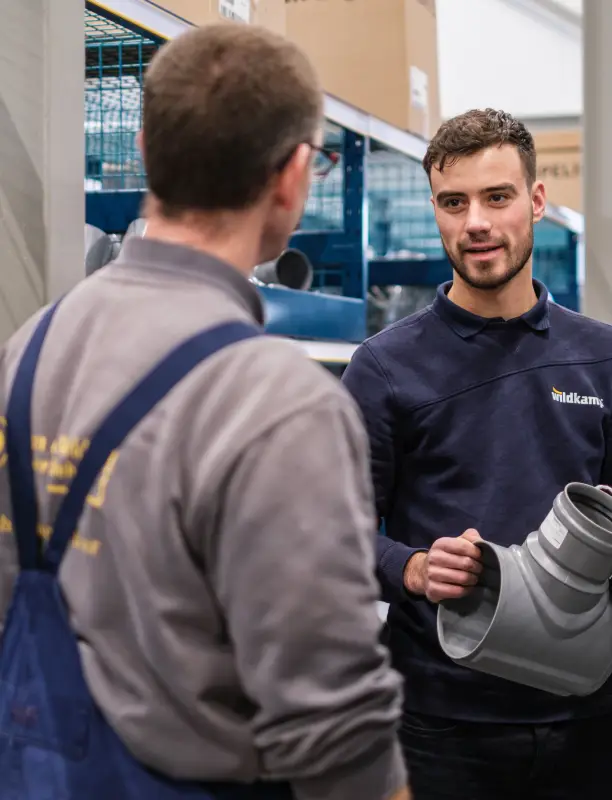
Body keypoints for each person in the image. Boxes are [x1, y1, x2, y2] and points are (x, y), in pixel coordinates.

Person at [0, 24, 410, 800]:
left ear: (149, 149)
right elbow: (335, 727)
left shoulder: (26, 350)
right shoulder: (275, 401)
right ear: (292, 176)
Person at [342, 107, 612, 800]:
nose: (477, 223)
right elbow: (328, 536)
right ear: (436, 209)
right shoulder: (383, 368)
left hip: (588, 716)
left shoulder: (601, 356)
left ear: (537, 201)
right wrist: (414, 568)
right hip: (441, 725)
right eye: (454, 203)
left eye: (498, 197)